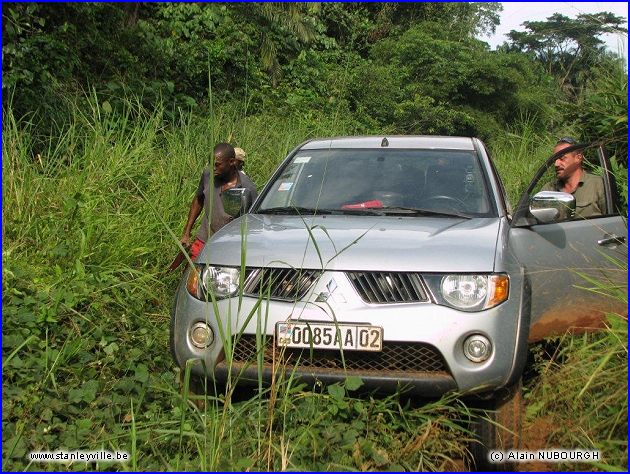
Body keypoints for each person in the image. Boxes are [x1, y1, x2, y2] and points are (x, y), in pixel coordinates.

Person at [180, 143, 258, 261]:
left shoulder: (246, 187)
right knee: (192, 275)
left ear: (231, 162)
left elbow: (254, 221)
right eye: (211, 164)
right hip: (204, 240)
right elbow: (198, 200)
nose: (213, 168)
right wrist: (186, 232)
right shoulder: (208, 176)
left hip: (229, 246)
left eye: (217, 165)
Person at [541, 136, 605, 218]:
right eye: (555, 159)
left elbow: (612, 220)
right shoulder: (549, 189)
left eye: (562, 158)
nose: (556, 164)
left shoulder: (597, 184)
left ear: (578, 158)